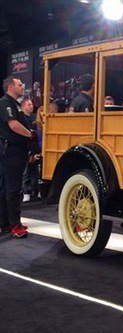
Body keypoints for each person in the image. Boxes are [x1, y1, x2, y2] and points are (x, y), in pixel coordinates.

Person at [0, 76, 35, 238]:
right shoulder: (5, 102)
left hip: (16, 151)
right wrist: (30, 135)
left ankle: (6, 222)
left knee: (8, 188)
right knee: (13, 189)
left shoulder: (14, 104)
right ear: (10, 87)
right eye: (19, 85)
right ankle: (15, 225)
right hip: (11, 151)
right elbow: (13, 124)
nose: (22, 87)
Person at [20, 99, 40, 202]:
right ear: (23, 106)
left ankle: (35, 191)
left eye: (32, 104)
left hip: (34, 147)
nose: (31, 106)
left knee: (34, 171)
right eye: (29, 104)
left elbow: (36, 135)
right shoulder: (20, 118)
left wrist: (35, 152)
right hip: (24, 147)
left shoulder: (34, 118)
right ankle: (26, 192)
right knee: (26, 172)